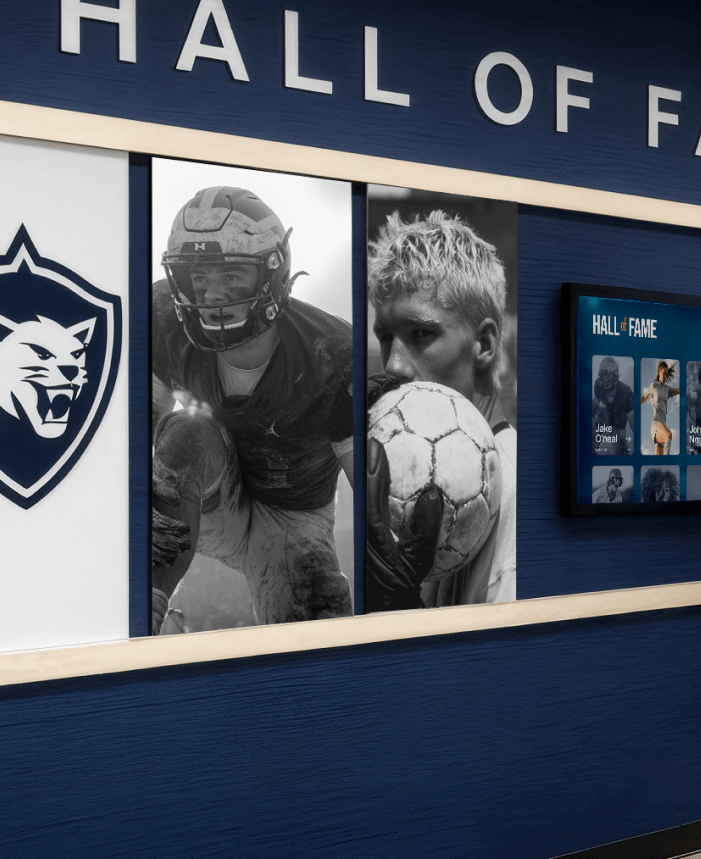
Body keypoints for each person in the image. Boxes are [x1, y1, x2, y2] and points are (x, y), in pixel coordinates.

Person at [150, 186, 354, 633]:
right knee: (186, 434)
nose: (212, 296)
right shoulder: (162, 315)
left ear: (272, 273)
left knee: (321, 633)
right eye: (199, 279)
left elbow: (376, 489)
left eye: (232, 275)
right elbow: (144, 425)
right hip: (209, 496)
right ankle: (140, 619)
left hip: (294, 516)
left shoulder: (333, 354)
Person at [367, 210, 515, 608]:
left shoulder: (519, 515)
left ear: (483, 345)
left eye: (421, 334)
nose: (393, 365)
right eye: (385, 337)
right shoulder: (410, 479)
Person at [594, 356, 634, 455]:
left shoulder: (626, 393)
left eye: (609, 375)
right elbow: (594, 403)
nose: (606, 380)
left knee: (621, 450)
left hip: (618, 424)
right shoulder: (598, 385)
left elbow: (632, 420)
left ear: (615, 375)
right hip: (602, 419)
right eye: (604, 375)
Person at [642, 360, 679, 455]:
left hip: (663, 424)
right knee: (669, 435)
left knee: (659, 459)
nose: (665, 376)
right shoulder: (654, 385)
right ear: (659, 371)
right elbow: (644, 397)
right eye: (664, 373)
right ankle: (669, 462)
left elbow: (678, 390)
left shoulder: (667, 389)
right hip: (656, 423)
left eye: (667, 375)